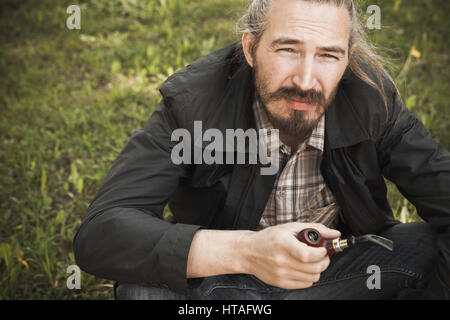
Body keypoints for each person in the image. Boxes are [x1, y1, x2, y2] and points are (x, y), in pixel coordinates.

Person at [73, 0, 450, 300]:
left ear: (347, 58)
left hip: (338, 276)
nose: (305, 80)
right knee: (144, 288)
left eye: (328, 56)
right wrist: (248, 251)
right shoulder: (192, 104)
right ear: (251, 47)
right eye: (288, 49)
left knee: (427, 244)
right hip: (220, 285)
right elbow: (103, 232)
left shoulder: (373, 101)